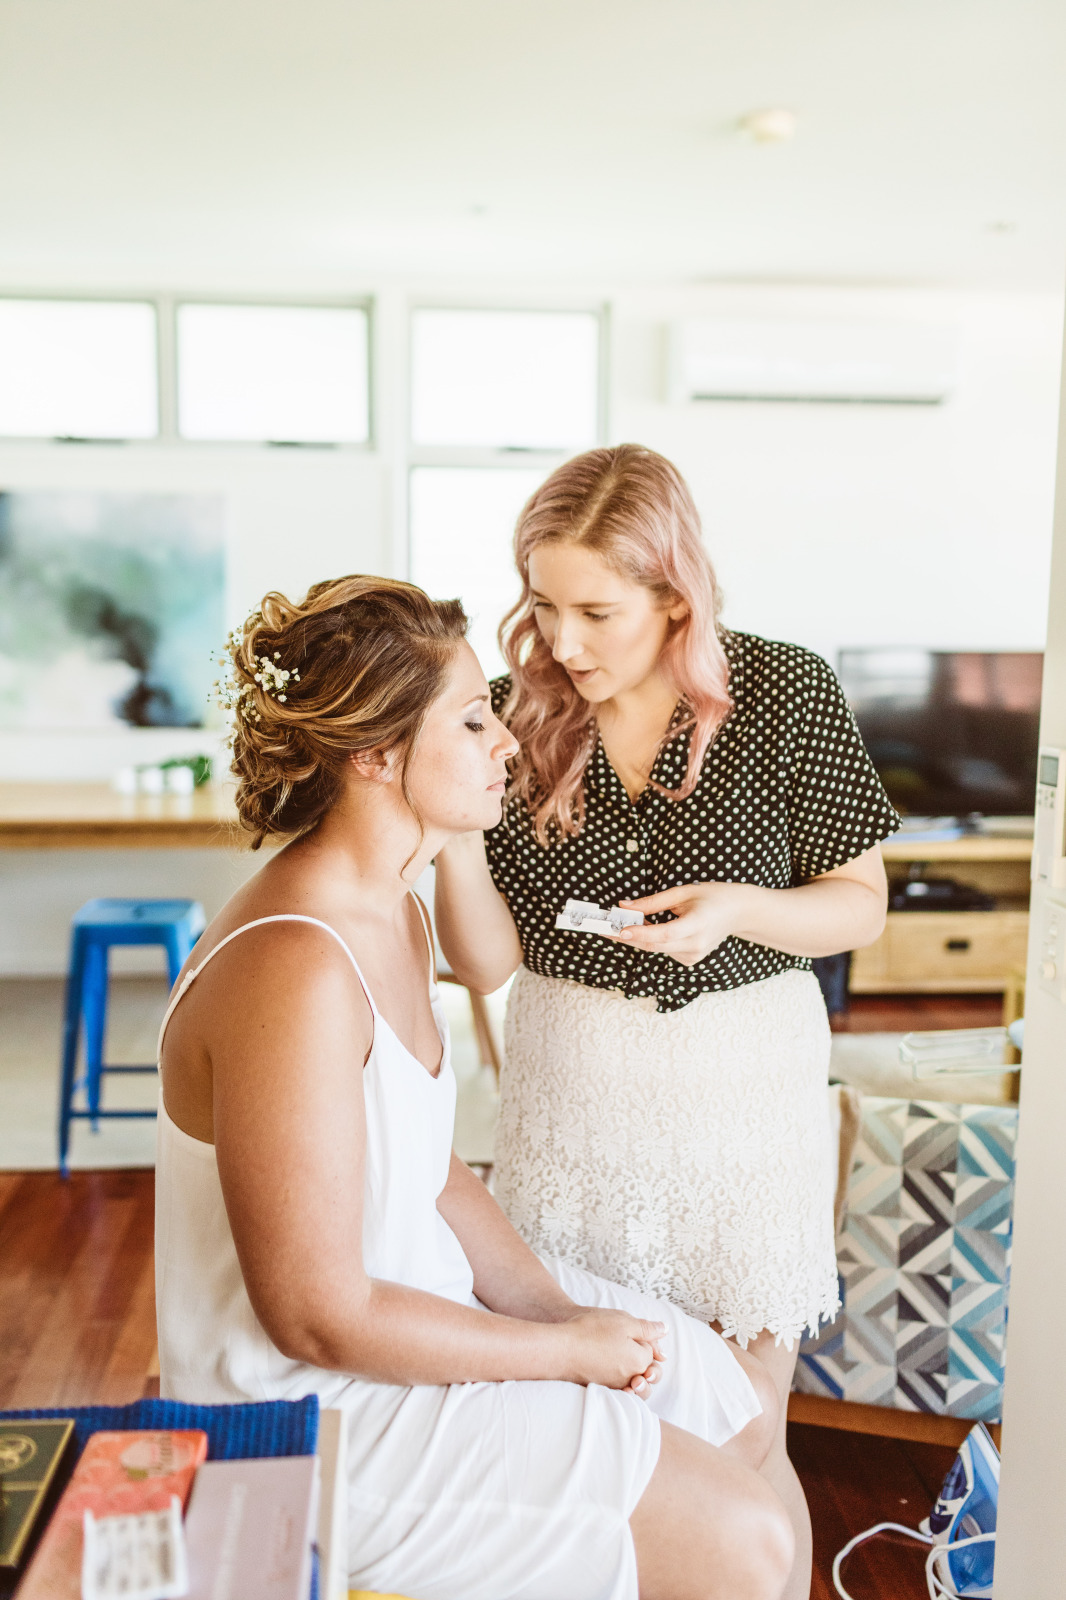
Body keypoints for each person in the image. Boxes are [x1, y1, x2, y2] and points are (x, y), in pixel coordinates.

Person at [155, 574, 793, 1600]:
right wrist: (563, 1356)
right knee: (747, 1539)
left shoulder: (393, 910)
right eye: (470, 719)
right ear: (373, 755)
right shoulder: (293, 968)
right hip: (318, 1412)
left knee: (738, 1406)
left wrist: (554, 1313)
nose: (507, 742)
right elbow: (315, 1319)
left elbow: (433, 1171)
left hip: (404, 1320)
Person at [433, 446, 900, 1600]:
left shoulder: (785, 692)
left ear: (674, 596)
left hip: (742, 1093)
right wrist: (450, 836)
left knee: (746, 1422)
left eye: (596, 612)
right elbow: (485, 960)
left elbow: (860, 905)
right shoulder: (514, 716)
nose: (563, 641)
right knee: (605, 1423)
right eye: (543, 605)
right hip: (574, 1097)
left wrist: (740, 908)